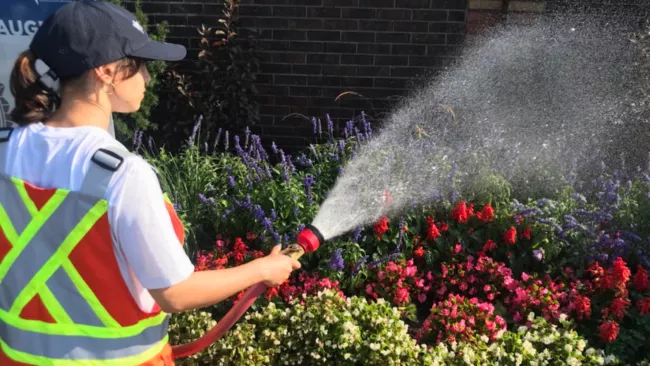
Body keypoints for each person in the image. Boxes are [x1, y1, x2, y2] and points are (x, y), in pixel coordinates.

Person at [0, 1, 301, 365]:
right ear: (107, 72)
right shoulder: (123, 176)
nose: (147, 78)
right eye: (140, 66)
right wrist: (262, 269)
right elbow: (174, 293)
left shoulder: (7, 152)